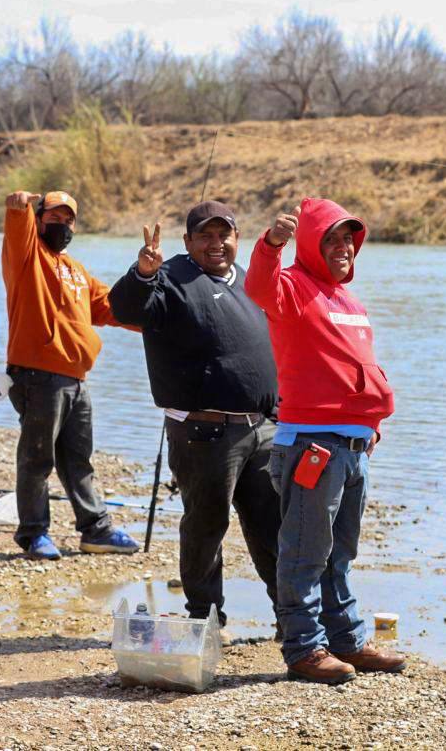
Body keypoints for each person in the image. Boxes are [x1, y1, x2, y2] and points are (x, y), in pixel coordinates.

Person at [245, 197, 405, 685]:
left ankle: (347, 640)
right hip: (312, 446)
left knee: (340, 552)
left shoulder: (350, 301)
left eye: (348, 240)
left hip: (354, 449)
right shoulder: (291, 287)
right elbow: (257, 285)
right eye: (330, 239)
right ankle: (303, 648)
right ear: (310, 245)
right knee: (303, 553)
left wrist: (371, 423)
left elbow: (355, 373)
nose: (342, 249)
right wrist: (272, 244)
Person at [109, 201, 281, 627]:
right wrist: (144, 273)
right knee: (206, 526)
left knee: (272, 524)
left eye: (224, 234)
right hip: (204, 434)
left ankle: (291, 614)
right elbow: (125, 309)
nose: (215, 243)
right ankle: (204, 617)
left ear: (237, 239)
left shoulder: (250, 281)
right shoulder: (169, 277)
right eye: (204, 235)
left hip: (263, 429)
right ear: (187, 242)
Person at [1, 190, 139, 559]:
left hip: (77, 379)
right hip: (38, 376)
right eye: (53, 218)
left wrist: (158, 319)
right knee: (37, 458)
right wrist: (18, 210)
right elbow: (18, 229)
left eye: (68, 220)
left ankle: (96, 530)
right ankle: (33, 534)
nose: (61, 225)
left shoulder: (76, 270)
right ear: (39, 219)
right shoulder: (27, 257)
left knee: (79, 459)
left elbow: (111, 308)